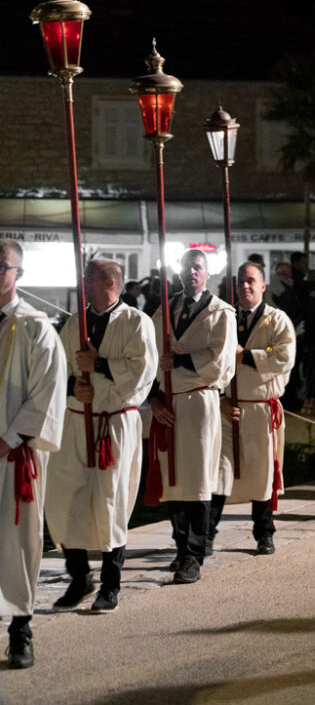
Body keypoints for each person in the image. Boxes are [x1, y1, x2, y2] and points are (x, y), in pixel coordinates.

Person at [45, 259, 157, 614]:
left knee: (112, 500)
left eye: (88, 277)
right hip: (77, 422)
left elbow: (143, 371)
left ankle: (111, 583)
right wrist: (74, 388)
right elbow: (58, 368)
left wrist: (101, 368)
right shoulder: (76, 322)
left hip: (114, 424)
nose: (83, 283)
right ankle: (79, 576)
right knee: (66, 499)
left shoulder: (136, 322)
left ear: (109, 281)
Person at [148, 248, 237, 585]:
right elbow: (149, 353)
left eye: (198, 268)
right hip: (169, 402)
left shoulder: (221, 313)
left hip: (200, 403)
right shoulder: (165, 310)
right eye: (187, 268)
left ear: (208, 272)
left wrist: (181, 363)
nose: (192, 273)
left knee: (198, 478)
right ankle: (180, 544)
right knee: (172, 479)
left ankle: (193, 555)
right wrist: (154, 397)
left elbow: (222, 363)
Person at [0, 240, 67, 669]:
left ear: (18, 274)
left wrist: (11, 437)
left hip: (13, 453)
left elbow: (48, 389)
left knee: (17, 539)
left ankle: (20, 628)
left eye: (2, 266)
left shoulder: (35, 327)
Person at [213, 262, 295, 555]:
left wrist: (246, 354)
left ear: (263, 285)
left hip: (261, 408)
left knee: (263, 474)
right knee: (220, 472)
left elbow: (281, 353)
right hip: (228, 407)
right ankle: (206, 535)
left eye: (251, 281)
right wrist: (219, 398)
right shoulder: (225, 318)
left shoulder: (277, 320)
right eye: (240, 282)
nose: (245, 286)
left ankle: (264, 532)